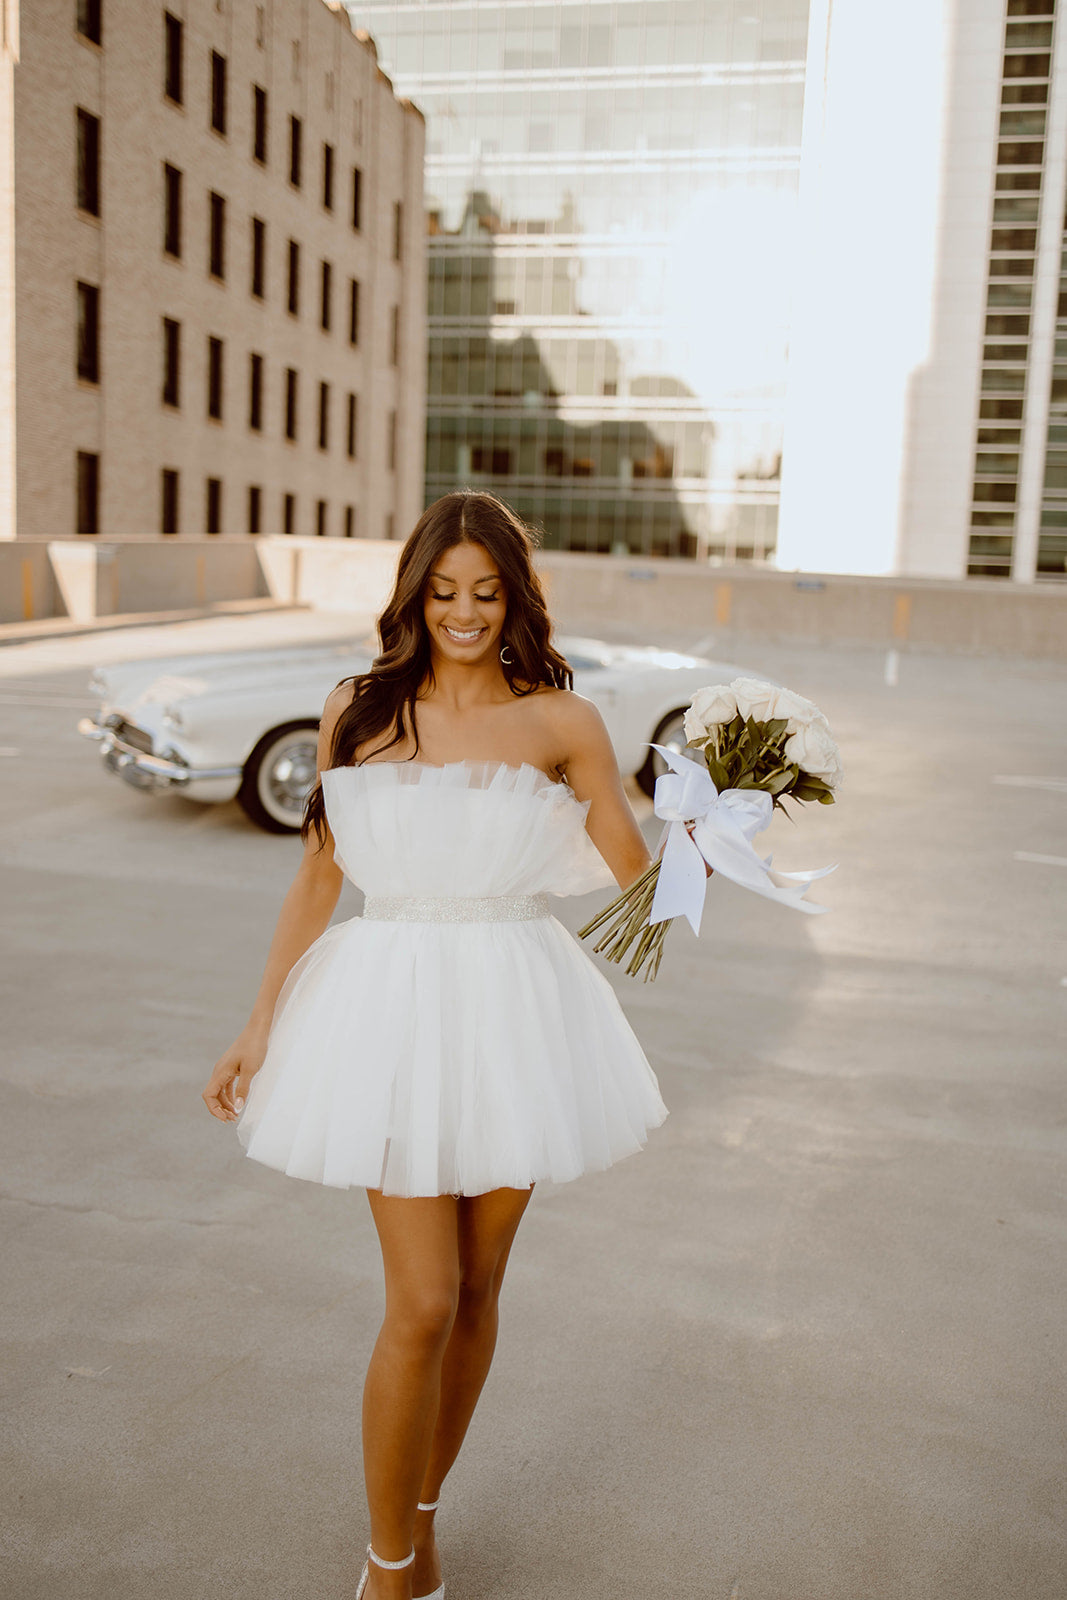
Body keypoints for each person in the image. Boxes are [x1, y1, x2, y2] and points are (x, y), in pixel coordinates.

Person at [202, 490, 669, 1599]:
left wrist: (712, 825)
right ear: (415, 595)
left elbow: (638, 894)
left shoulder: (563, 722)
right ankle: (390, 1567)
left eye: (486, 593)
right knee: (421, 1298)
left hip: (517, 1010)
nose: (464, 612)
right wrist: (259, 1023)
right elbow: (318, 873)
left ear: (515, 600)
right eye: (444, 591)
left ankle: (420, 1512)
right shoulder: (357, 710)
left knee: (476, 1290)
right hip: (391, 1009)